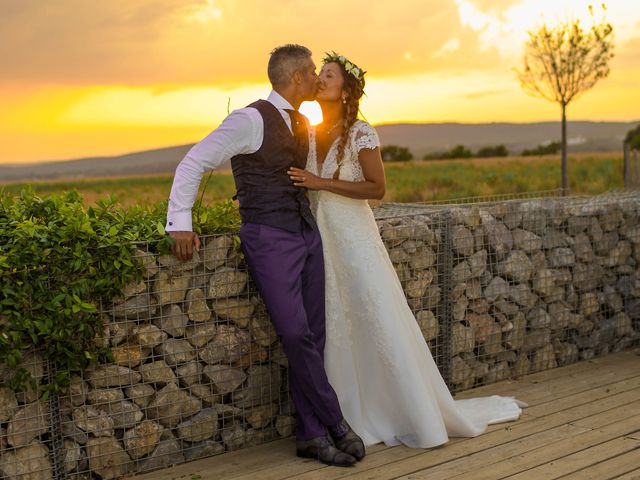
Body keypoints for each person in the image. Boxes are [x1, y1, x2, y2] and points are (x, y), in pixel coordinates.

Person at [287, 52, 525, 448]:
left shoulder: (361, 131)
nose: (320, 80)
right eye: (319, 74)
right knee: (336, 325)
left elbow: (376, 189)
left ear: (345, 90)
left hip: (356, 241)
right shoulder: (308, 133)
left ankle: (401, 409)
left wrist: (320, 183)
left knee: (375, 318)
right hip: (322, 242)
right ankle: (342, 415)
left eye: (328, 75)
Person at [165, 44, 364, 466]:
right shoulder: (249, 119)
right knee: (295, 334)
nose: (315, 77)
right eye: (312, 71)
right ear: (295, 77)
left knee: (314, 336)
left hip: (307, 235)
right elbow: (194, 161)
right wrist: (180, 221)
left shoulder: (303, 121)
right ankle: (336, 421)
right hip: (269, 237)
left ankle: (310, 435)